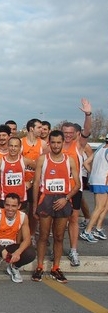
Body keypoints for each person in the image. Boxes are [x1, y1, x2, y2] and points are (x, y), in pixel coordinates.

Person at [31, 130, 80, 284]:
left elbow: (78, 184)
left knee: (59, 237)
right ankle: (39, 266)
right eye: (53, 142)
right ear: (49, 143)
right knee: (43, 236)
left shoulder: (70, 160)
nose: (56, 145)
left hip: (63, 201)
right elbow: (36, 184)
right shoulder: (42, 160)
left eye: (59, 142)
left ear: (62, 142)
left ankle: (55, 268)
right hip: (46, 200)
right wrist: (34, 205)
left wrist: (66, 198)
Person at [60, 99, 92, 267]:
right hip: (57, 189)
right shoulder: (54, 146)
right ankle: (57, 249)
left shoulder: (78, 145)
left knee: (73, 219)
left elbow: (87, 130)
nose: (68, 135)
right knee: (57, 221)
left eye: (71, 132)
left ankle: (73, 250)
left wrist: (87, 114)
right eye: (65, 132)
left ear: (75, 133)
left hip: (74, 189)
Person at [0, 193, 35, 283]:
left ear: (19, 206)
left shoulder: (23, 217)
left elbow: (27, 239)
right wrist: (1, 250)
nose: (10, 209)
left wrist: (18, 252)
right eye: (7, 205)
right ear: (4, 204)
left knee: (30, 253)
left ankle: (14, 267)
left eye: (13, 206)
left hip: (11, 246)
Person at [81, 137, 108, 242]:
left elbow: (86, 163)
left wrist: (93, 174)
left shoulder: (100, 148)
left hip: (98, 180)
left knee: (105, 206)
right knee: (100, 207)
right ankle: (87, 231)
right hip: (103, 181)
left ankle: (98, 228)